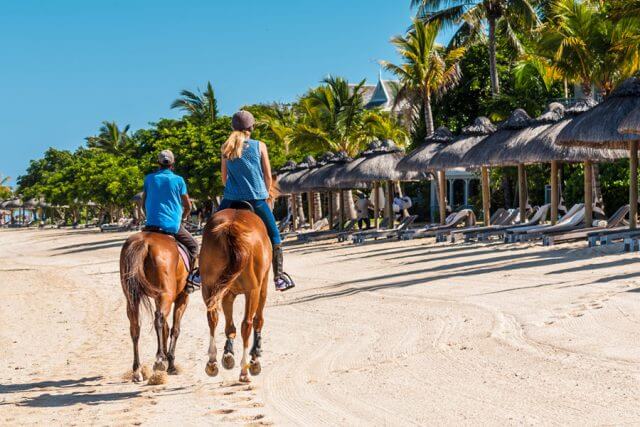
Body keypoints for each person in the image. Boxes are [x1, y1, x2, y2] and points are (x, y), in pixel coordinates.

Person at [219, 110, 295, 292]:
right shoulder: (260, 146)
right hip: (256, 199)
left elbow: (224, 178)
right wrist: (265, 191)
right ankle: (279, 277)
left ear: (233, 127)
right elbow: (268, 176)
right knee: (275, 235)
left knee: (209, 230)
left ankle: (199, 273)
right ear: (251, 127)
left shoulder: (226, 147)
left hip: (230, 200)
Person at [142, 150, 201, 293]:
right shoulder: (179, 180)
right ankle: (191, 281)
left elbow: (143, 203)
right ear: (173, 164)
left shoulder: (149, 179)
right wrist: (183, 217)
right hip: (172, 226)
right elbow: (188, 206)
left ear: (158, 163)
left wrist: (150, 215)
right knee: (193, 246)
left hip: (151, 225)